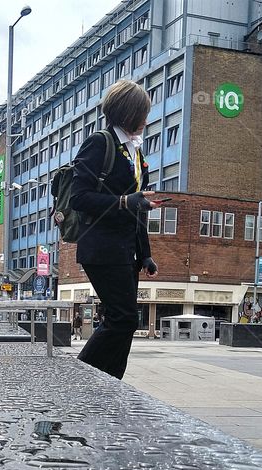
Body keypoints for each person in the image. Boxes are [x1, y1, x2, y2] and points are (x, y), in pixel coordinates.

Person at [71, 79, 164, 379]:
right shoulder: (100, 143)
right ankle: (79, 377)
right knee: (122, 318)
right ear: (128, 113)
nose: (146, 119)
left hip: (126, 251)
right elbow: (78, 198)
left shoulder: (135, 152)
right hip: (101, 247)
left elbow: (136, 207)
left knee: (124, 321)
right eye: (143, 113)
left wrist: (145, 253)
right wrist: (125, 201)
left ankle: (111, 385)